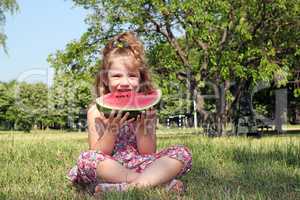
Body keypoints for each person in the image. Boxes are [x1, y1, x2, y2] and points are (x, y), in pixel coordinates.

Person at [68, 32, 192, 195]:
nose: (125, 83)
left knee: (182, 153)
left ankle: (125, 188)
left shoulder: (146, 110)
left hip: (140, 162)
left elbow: (148, 153)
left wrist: (143, 129)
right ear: (105, 79)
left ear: (140, 79)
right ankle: (157, 183)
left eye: (132, 76)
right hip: (110, 167)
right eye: (117, 76)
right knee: (86, 159)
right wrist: (111, 130)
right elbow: (97, 153)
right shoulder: (95, 111)